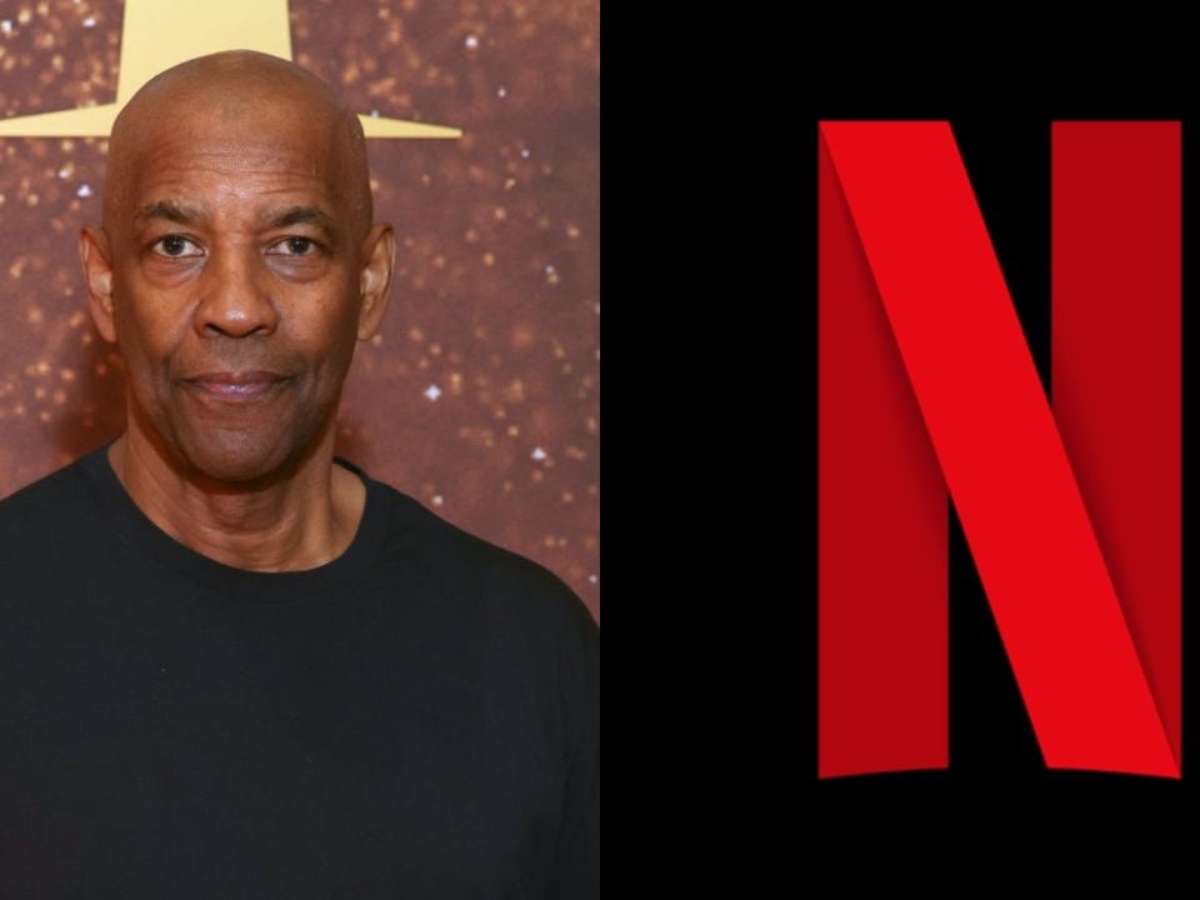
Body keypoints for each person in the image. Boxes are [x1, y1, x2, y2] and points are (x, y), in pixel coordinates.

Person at [0, 50, 598, 898]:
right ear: (105, 284)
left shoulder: (532, 652)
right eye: (176, 245)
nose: (236, 306)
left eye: (293, 245)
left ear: (371, 284)